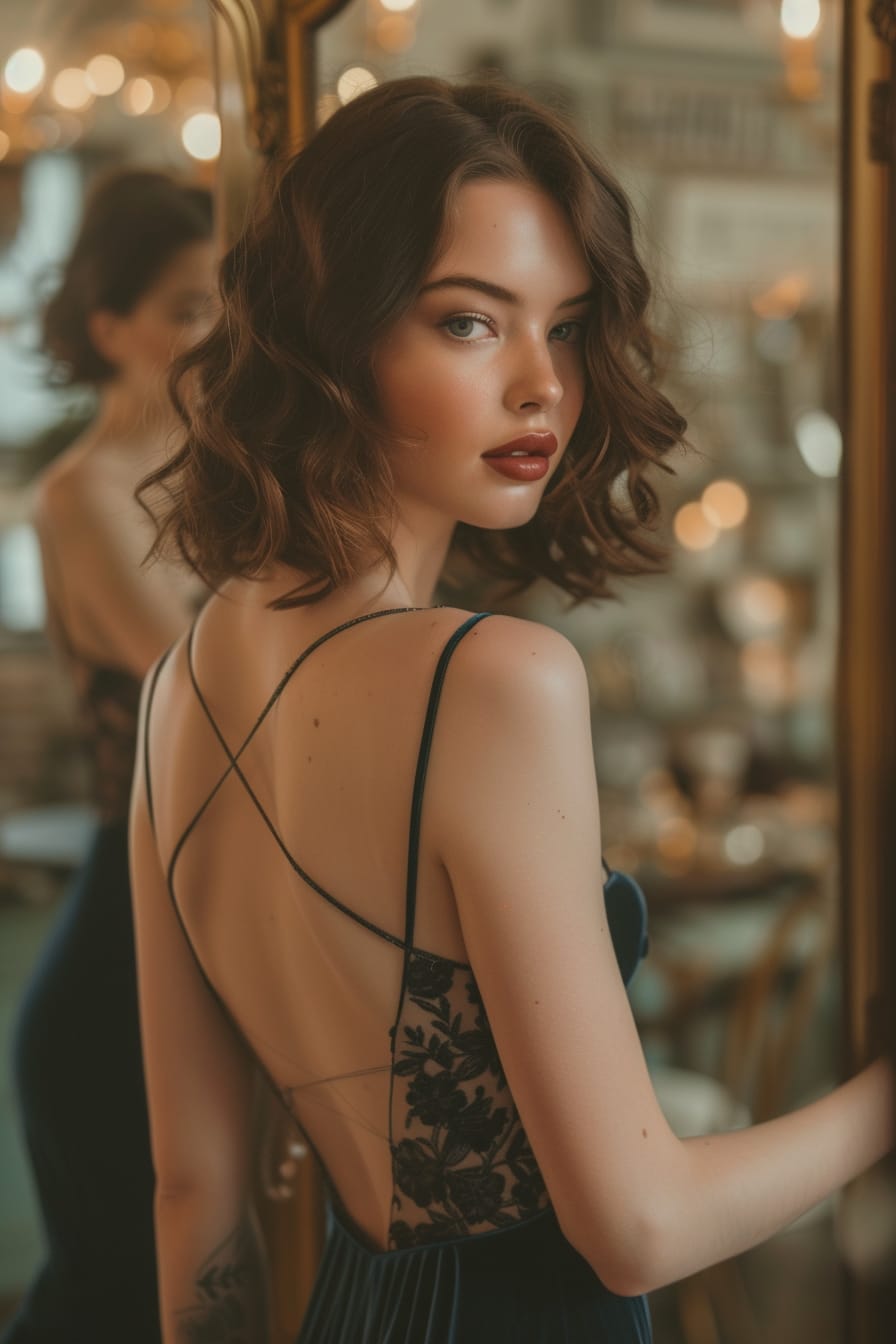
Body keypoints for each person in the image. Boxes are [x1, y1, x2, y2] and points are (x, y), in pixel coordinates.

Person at [130, 78, 893, 1343]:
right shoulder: (491, 680)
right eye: (472, 324)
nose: (544, 384)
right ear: (335, 332)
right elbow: (635, 1223)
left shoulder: (179, 687)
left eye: (571, 325)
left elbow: (194, 1194)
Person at [4, 171, 216, 1344]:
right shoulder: (78, 493)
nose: (217, 336)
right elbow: (206, 685)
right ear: (111, 329)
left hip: (209, 922)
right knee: (114, 1298)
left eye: (227, 304)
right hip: (123, 950)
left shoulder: (227, 476)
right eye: (188, 309)